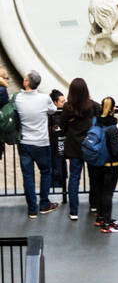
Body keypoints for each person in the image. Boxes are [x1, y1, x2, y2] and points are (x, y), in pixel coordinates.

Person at [16, 69, 58, 218]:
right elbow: (53, 111)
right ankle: (44, 204)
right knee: (46, 172)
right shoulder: (44, 98)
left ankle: (32, 209)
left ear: (27, 82)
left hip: (24, 142)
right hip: (41, 142)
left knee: (28, 175)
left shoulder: (18, 98)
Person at [57, 76, 98, 221]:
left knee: (74, 178)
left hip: (74, 146)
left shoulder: (68, 108)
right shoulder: (92, 105)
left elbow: (62, 125)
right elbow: (100, 117)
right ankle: (94, 205)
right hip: (90, 146)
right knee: (93, 177)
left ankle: (74, 210)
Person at [88, 96, 118, 234]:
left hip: (97, 162)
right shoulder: (112, 128)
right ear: (113, 109)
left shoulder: (96, 122)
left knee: (100, 190)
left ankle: (100, 218)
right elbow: (116, 151)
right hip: (111, 165)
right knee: (108, 194)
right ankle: (107, 223)